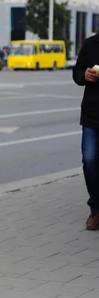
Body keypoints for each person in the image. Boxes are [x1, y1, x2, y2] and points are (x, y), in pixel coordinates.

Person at [73, 33, 99, 230]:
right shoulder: (91, 44)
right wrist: (85, 75)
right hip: (92, 114)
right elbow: (77, 72)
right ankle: (96, 209)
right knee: (89, 159)